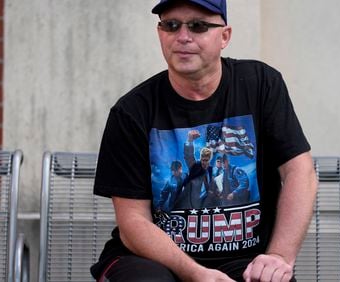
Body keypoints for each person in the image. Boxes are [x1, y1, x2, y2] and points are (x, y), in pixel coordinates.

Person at [92, 0, 318, 281]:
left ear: (224, 36)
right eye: (171, 25)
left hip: (242, 259)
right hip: (151, 260)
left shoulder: (260, 84)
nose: (183, 37)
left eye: (198, 26)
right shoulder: (132, 112)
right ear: (160, 33)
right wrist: (197, 274)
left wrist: (278, 256)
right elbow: (132, 222)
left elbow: (300, 171)